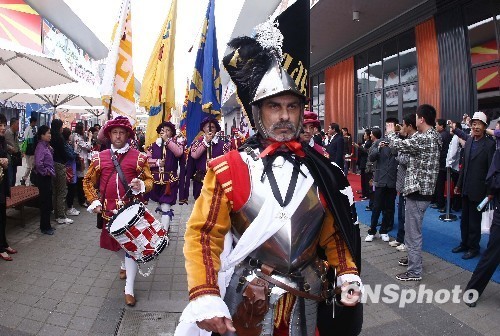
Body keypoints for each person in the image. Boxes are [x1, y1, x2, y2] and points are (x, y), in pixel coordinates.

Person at [175, 26, 362, 336]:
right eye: (274, 106)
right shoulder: (230, 168)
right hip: (249, 296)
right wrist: (205, 293)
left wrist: (346, 272)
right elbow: (204, 235)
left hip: (309, 294)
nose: (284, 116)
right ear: (258, 112)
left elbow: (333, 233)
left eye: (292, 106)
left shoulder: (322, 170)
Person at [83, 116, 153, 306]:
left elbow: (149, 181)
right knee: (113, 246)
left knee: (130, 247)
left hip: (131, 212)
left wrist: (142, 185)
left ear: (128, 135)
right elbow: (88, 181)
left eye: (122, 132)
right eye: (115, 132)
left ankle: (129, 289)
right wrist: (93, 200)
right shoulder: (99, 157)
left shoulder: (139, 157)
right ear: (109, 135)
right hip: (108, 212)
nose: (118, 136)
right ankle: (123, 262)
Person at [385, 104, 441, 281]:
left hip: (418, 192)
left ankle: (414, 271)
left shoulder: (426, 138)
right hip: (420, 191)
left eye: (416, 117)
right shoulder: (431, 136)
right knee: (412, 231)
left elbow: (399, 144)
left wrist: (391, 131)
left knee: (412, 233)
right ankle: (412, 260)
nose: (414, 120)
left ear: (421, 119)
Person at [451, 112, 494, 260]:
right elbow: (464, 167)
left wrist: (489, 192)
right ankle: (464, 243)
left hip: (480, 190)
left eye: (479, 124)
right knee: (464, 220)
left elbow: (491, 170)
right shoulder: (469, 141)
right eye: (474, 124)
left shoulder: (489, 145)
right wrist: (458, 184)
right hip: (466, 187)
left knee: (475, 221)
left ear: (484, 126)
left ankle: (473, 247)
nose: (476, 127)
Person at [145, 121, 183, 232]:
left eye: (168, 130)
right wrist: (157, 162)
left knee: (166, 205)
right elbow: (146, 161)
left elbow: (179, 153)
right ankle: (165, 224)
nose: (165, 132)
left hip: (169, 181)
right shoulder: (152, 146)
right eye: (163, 130)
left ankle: (163, 233)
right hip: (156, 180)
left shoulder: (176, 144)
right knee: (161, 205)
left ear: (171, 133)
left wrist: (167, 141)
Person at [365, 121, 398, 242]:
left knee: (389, 207)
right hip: (379, 179)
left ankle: (384, 230)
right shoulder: (378, 142)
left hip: (392, 180)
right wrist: (378, 148)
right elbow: (371, 157)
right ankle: (372, 230)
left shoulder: (398, 143)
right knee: (376, 207)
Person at [388, 115, 417, 252]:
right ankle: (400, 238)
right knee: (401, 213)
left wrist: (398, 153)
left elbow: (405, 159)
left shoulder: (414, 140)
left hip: (409, 184)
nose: (401, 127)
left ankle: (407, 241)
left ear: (410, 126)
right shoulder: (405, 139)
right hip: (402, 182)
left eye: (403, 125)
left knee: (407, 216)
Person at [185, 117, 230, 200]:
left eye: (212, 127)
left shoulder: (223, 145)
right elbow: (194, 155)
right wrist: (205, 143)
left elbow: (227, 162)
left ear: (216, 129)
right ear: (203, 129)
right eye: (208, 127)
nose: (210, 129)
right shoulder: (197, 142)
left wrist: (215, 162)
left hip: (216, 179)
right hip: (200, 179)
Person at [34, 125, 56, 235]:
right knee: (45, 202)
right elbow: (38, 163)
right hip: (43, 178)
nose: (50, 135)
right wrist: (46, 171)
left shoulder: (46, 146)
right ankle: (44, 227)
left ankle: (47, 225)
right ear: (42, 135)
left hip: (47, 178)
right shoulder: (40, 147)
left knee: (48, 202)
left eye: (50, 133)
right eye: (48, 133)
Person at [50, 119, 72, 225]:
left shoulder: (50, 136)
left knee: (55, 190)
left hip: (52, 165)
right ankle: (61, 216)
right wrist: (66, 160)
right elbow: (64, 153)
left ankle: (56, 212)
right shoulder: (59, 138)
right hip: (59, 165)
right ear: (59, 127)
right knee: (62, 191)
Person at [0, 114, 16, 260]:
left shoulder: (3, 141)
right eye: (0, 125)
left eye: (4, 125)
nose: (3, 128)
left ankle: (4, 243)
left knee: (3, 216)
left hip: (3, 184)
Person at [431, 119, 452, 212]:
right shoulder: (447, 134)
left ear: (442, 126)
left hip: (441, 163)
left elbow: (437, 150)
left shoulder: (441, 136)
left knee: (439, 185)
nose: (435, 126)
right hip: (445, 163)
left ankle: (440, 203)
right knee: (441, 184)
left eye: (437, 125)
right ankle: (440, 202)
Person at [73, 122, 92, 207]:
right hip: (81, 161)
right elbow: (87, 146)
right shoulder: (77, 137)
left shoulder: (77, 136)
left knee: (82, 180)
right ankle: (82, 200)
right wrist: (90, 139)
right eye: (83, 128)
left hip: (82, 160)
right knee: (82, 181)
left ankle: (83, 199)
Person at [62, 127, 79, 217]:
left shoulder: (67, 144)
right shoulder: (65, 145)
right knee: (70, 188)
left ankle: (70, 207)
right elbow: (72, 155)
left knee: (71, 188)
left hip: (71, 168)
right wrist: (75, 148)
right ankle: (69, 207)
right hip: (69, 169)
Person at [353, 129, 372, 200]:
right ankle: (364, 192)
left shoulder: (369, 143)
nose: (364, 135)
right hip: (362, 162)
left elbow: (366, 152)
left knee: (366, 179)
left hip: (365, 163)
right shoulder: (365, 142)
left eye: (365, 134)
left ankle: (366, 193)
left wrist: (358, 147)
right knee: (363, 179)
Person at [4, 117, 21, 187]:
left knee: (14, 176)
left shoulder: (15, 133)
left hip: (15, 158)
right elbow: (3, 143)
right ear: (12, 124)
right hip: (9, 158)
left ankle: (13, 191)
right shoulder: (6, 132)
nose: (18, 126)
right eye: (17, 124)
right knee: (10, 177)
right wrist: (9, 147)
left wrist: (19, 150)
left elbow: (16, 143)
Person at [21, 116, 37, 186]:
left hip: (27, 150)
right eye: (35, 122)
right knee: (30, 166)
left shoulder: (27, 128)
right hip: (30, 151)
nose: (35, 124)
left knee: (30, 166)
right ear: (33, 122)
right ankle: (25, 179)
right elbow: (31, 141)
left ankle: (26, 179)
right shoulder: (31, 129)